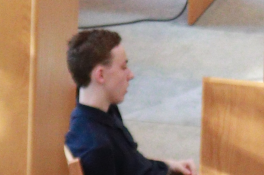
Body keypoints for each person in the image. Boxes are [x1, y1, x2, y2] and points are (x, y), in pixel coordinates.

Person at [65, 29, 197, 175]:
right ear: (100, 75)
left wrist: (168, 165)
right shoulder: (95, 147)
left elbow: (132, 161)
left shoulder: (106, 108)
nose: (131, 75)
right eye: (123, 67)